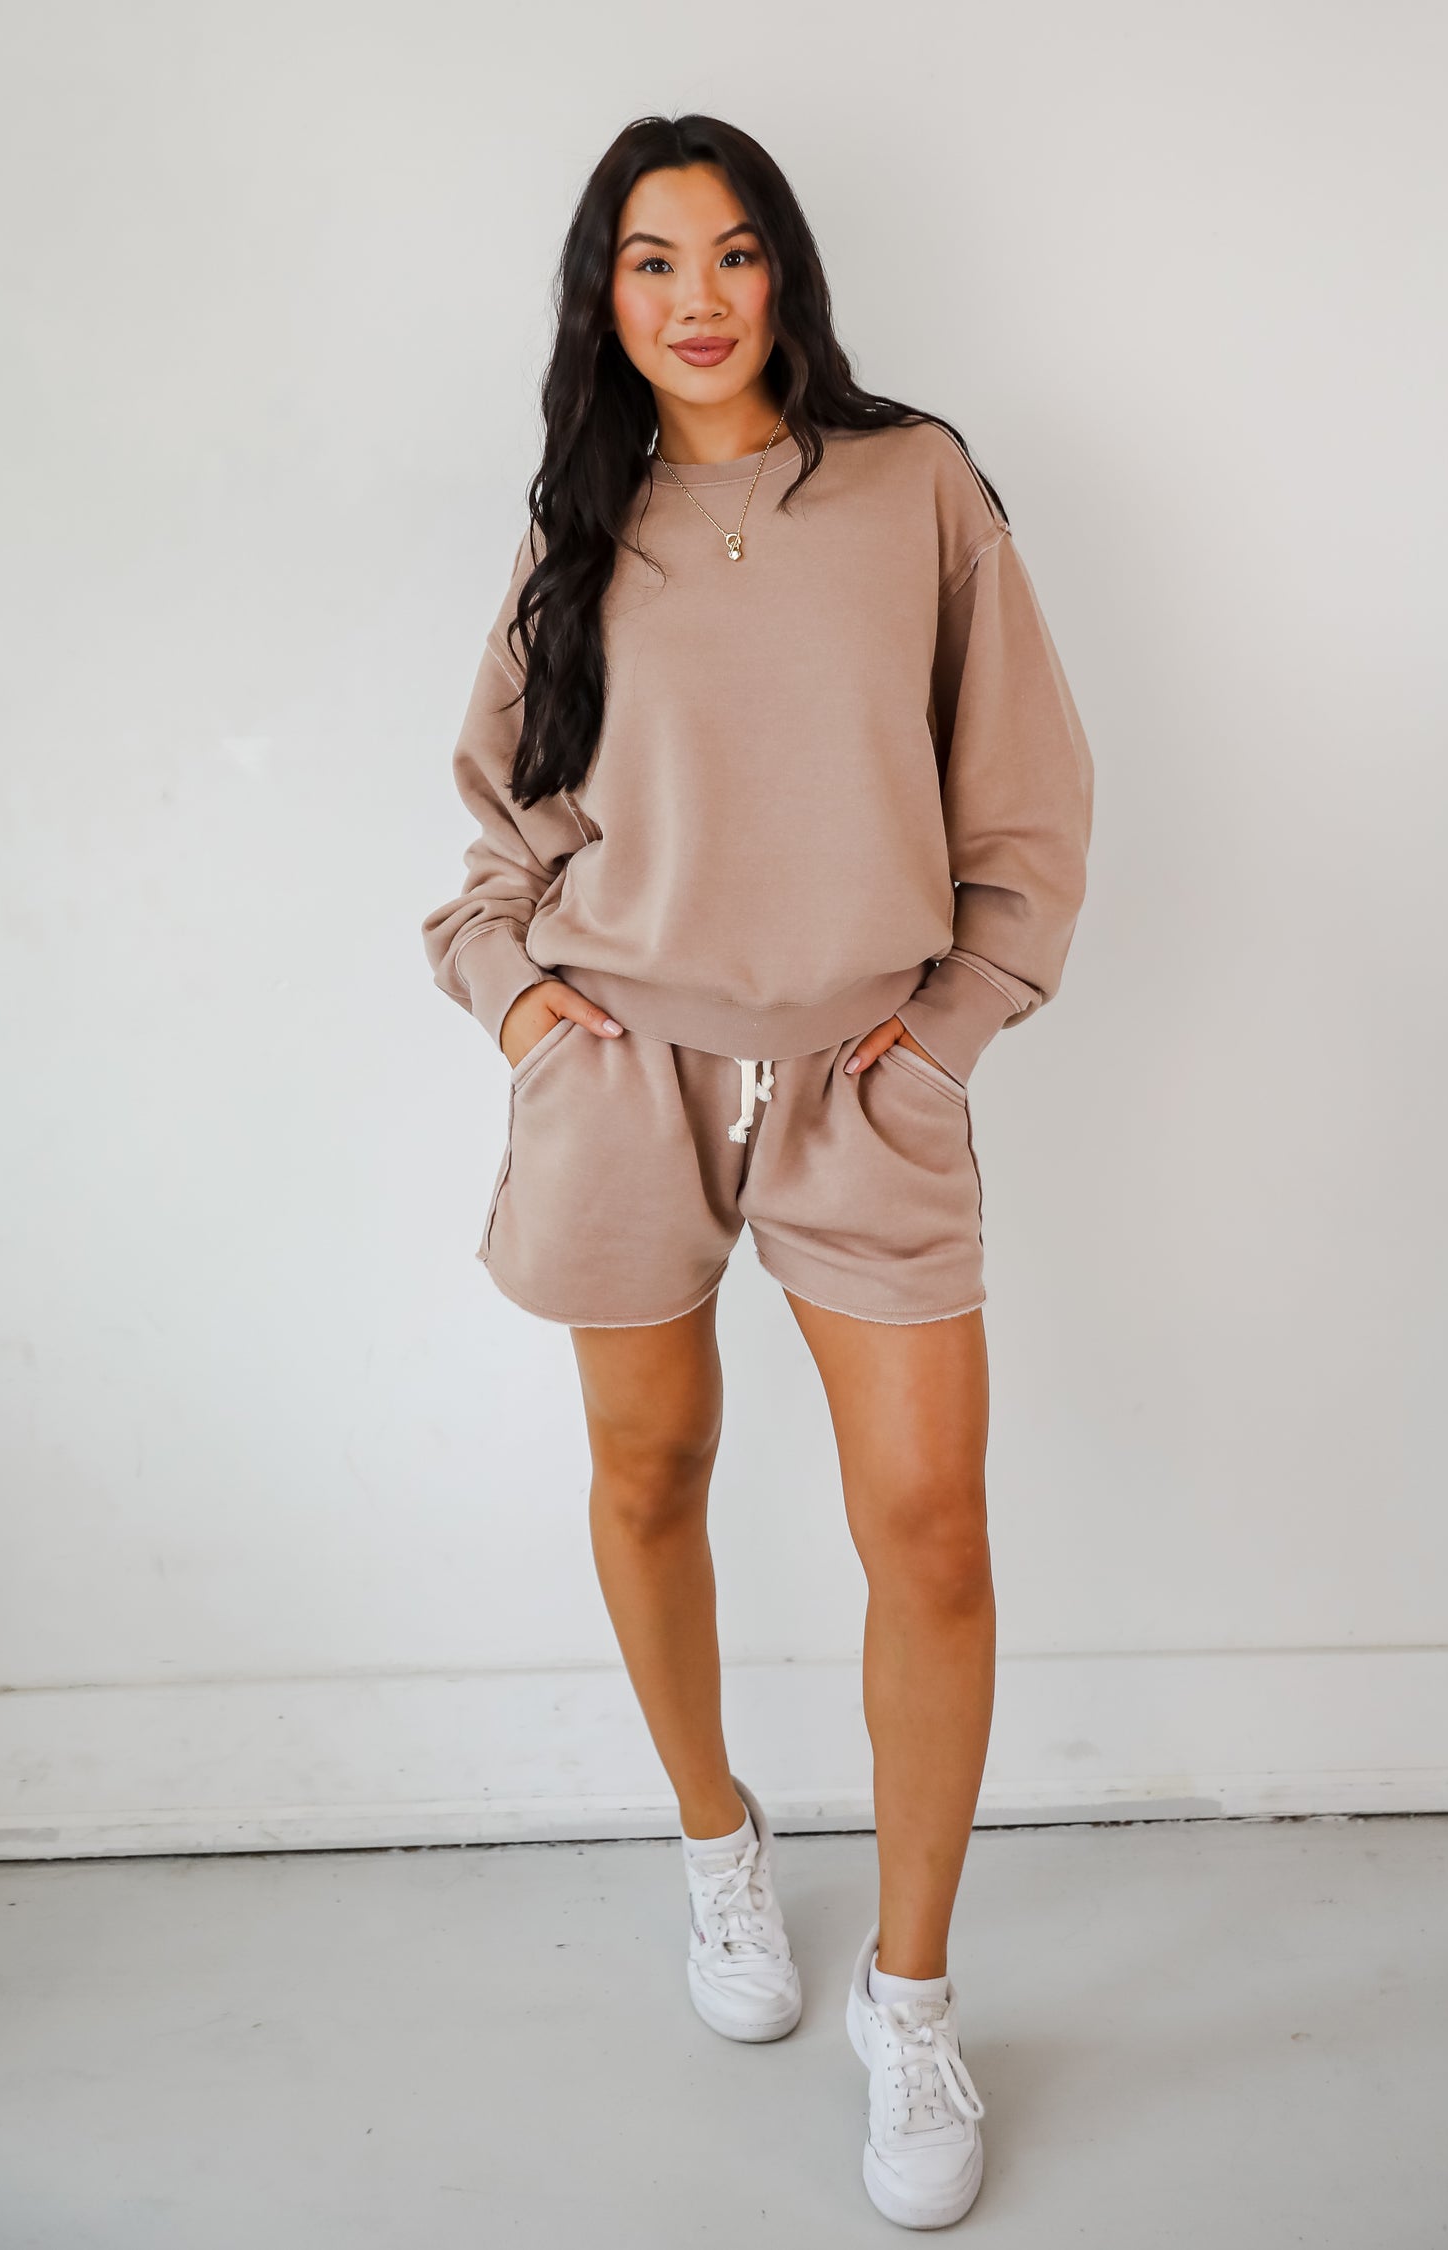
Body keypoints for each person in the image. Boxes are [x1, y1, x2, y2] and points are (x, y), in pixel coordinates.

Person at [421, 111, 1093, 2231]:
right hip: (624, 1075)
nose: (696, 296)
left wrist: (954, 1022)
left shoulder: (917, 487)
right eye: (651, 261)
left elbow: (1027, 800)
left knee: (935, 1534)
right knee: (651, 1474)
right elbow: (496, 843)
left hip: (864, 1082)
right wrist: (525, 1010)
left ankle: (913, 1999)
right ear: (605, 300)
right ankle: (720, 1847)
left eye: (730, 251)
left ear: (784, 269)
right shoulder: (578, 527)